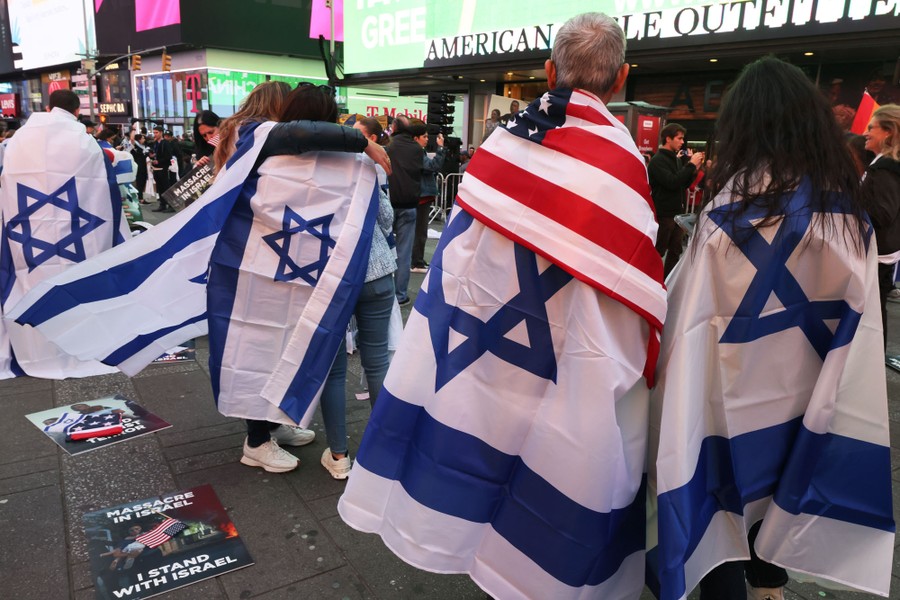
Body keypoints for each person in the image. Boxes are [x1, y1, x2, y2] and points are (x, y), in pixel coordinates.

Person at [339, 13, 666, 599]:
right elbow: (628, 286)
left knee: (480, 441)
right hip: (562, 355)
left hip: (480, 344)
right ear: (619, 80)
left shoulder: (504, 144)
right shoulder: (625, 170)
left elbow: (460, 263)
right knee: (551, 465)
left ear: (548, 71)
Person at [651, 57, 893, 600]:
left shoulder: (722, 218)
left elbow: (687, 322)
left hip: (731, 396)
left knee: (723, 489)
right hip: (809, 394)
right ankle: (769, 584)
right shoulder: (849, 219)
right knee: (788, 484)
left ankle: (724, 573)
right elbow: (862, 323)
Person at [0, 89, 128, 379]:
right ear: (78, 110)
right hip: (77, 235)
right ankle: (83, 343)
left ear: (48, 106)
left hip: (29, 235)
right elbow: (102, 185)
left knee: (31, 285)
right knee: (75, 283)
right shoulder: (84, 143)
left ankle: (34, 347)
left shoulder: (18, 140)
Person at [860, 104, 900, 344]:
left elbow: (883, 214)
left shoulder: (886, 169)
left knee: (873, 314)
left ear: (888, 132)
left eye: (871, 127)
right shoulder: (885, 165)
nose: (866, 133)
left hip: (876, 254)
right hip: (882, 253)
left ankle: (870, 364)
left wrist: (850, 202)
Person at [648, 122, 704, 277]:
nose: (682, 142)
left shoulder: (676, 159)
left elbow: (681, 184)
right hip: (664, 214)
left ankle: (667, 282)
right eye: (679, 138)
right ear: (668, 139)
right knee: (659, 250)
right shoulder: (657, 160)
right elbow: (671, 182)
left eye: (682, 139)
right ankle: (651, 280)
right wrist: (690, 166)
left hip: (677, 214)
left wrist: (693, 170)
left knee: (675, 250)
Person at [386, 117, 429, 306]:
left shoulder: (387, 147)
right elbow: (429, 168)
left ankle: (383, 294)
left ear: (394, 128)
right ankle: (400, 295)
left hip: (388, 203)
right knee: (404, 254)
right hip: (410, 205)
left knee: (381, 250)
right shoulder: (417, 150)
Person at [411, 130, 445, 273]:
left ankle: (417, 260)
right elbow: (432, 166)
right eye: (424, 136)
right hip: (422, 195)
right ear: (416, 137)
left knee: (418, 231)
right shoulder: (418, 152)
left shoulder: (414, 151)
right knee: (420, 231)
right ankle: (416, 261)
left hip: (419, 194)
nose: (426, 139)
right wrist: (441, 148)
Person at [149, 126, 174, 212]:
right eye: (154, 132)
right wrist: (153, 157)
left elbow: (168, 156)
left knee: (166, 187)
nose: (155, 134)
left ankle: (171, 205)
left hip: (163, 167)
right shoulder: (155, 143)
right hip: (156, 168)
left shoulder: (165, 143)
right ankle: (162, 204)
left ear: (161, 133)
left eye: (156, 133)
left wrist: (158, 161)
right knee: (159, 187)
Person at [130, 133, 150, 203]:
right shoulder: (135, 147)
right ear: (139, 139)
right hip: (139, 166)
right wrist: (133, 130)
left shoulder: (145, 146)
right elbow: (132, 140)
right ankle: (139, 198)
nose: (144, 139)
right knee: (139, 182)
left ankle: (141, 197)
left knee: (143, 182)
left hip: (144, 166)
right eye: (142, 138)